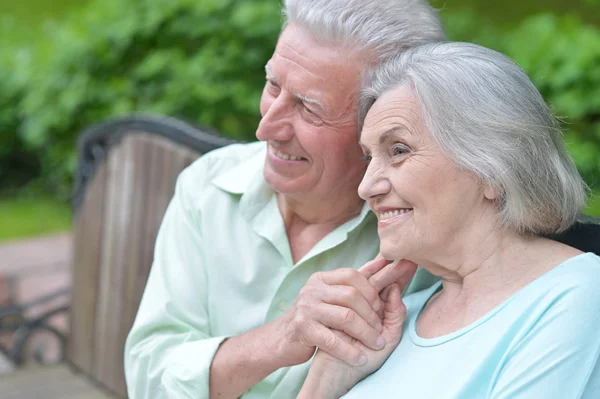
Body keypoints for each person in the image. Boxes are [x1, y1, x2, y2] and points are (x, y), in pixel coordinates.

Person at [124, 1, 446, 398]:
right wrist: (281, 337)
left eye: (309, 109)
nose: (265, 128)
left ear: (383, 128)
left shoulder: (427, 236)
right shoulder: (208, 187)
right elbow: (148, 377)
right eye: (273, 85)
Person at [298, 42, 600, 399]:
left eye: (398, 151)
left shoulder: (575, 294)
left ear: (491, 167)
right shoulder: (394, 319)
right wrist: (325, 380)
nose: (366, 188)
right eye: (369, 158)